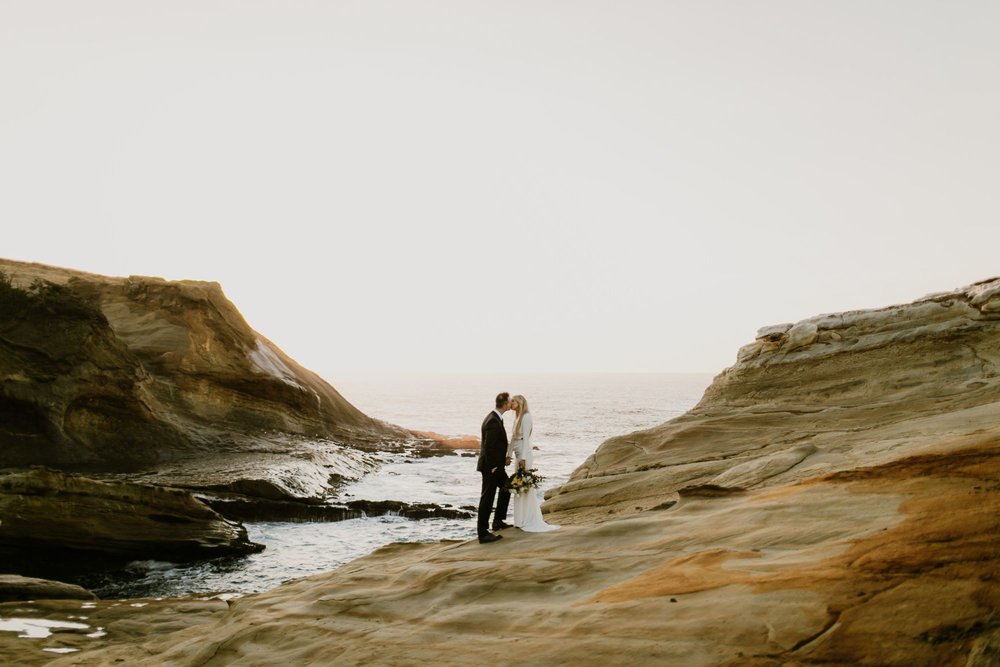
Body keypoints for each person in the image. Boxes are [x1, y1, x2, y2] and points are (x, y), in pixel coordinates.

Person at [507, 395, 558, 532]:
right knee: (518, 486)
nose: (510, 403)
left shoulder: (526, 416)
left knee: (524, 486)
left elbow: (525, 440)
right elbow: (512, 438)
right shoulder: (517, 417)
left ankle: (528, 519)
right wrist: (508, 455)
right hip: (518, 455)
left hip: (525, 456)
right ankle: (520, 519)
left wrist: (523, 458)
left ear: (520, 402)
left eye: (513, 401)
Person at [476, 392, 512, 544]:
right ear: (504, 403)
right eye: (510, 401)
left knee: (507, 486)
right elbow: (488, 446)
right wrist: (492, 467)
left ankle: (497, 521)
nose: (511, 403)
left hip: (497, 466)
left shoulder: (496, 418)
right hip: (491, 467)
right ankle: (483, 533)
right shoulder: (492, 421)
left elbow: (496, 445)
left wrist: (503, 460)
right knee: (487, 498)